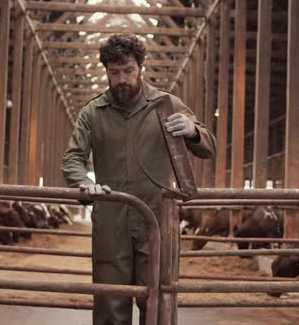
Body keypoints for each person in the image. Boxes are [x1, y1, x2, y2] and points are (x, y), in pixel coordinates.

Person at [61, 34, 216, 325]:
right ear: (106, 71)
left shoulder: (166, 105)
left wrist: (194, 131)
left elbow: (209, 148)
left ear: (140, 68)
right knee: (110, 300)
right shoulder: (93, 113)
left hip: (156, 219)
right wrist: (84, 182)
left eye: (128, 70)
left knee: (158, 299)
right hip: (111, 222)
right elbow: (72, 158)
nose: (122, 79)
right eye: (114, 72)